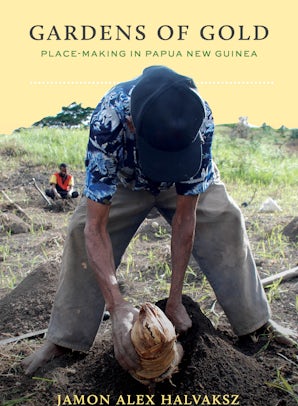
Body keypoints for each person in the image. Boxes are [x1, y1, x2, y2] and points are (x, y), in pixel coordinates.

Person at [23, 66, 296, 375]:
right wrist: (117, 306)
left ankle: (256, 324)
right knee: (78, 231)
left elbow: (185, 217)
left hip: (182, 176)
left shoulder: (199, 117)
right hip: (126, 182)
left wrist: (175, 299)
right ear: (132, 125)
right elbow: (96, 228)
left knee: (225, 218)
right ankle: (65, 341)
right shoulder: (109, 119)